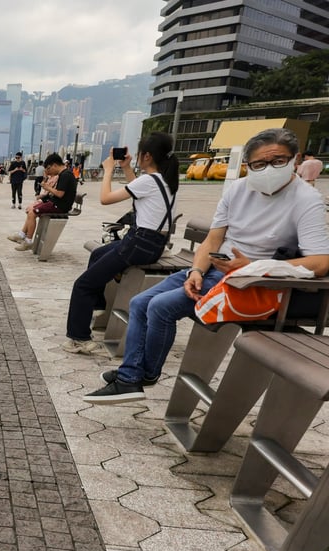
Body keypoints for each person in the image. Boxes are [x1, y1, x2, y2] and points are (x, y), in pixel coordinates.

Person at [84, 127, 329, 403]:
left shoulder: (306, 200)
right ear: (249, 164)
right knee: (140, 303)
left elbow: (320, 262)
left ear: (295, 160)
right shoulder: (237, 190)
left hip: (252, 284)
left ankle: (131, 379)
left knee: (161, 307)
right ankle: (140, 374)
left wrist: (255, 265)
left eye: (278, 161)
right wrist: (197, 271)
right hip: (214, 271)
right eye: (260, 164)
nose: (269, 169)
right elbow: (212, 240)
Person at [61, 133, 179, 355]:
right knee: (98, 254)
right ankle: (97, 305)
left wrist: (108, 170)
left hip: (139, 243)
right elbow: (138, 189)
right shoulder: (164, 180)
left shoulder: (149, 181)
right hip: (151, 243)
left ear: (146, 156)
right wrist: (126, 168)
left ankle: (79, 338)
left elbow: (105, 198)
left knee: (82, 285)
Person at [8, 153, 77, 251]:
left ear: (54, 165)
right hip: (56, 203)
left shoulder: (65, 175)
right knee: (31, 209)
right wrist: (44, 197)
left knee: (33, 212)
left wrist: (48, 188)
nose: (48, 171)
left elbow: (60, 194)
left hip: (60, 206)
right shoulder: (64, 174)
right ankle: (22, 234)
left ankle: (28, 241)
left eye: (48, 168)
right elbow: (56, 193)